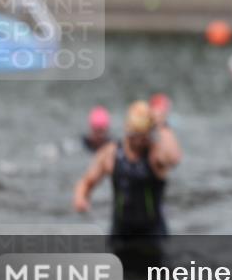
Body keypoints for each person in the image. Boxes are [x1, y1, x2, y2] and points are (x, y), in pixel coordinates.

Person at [73, 101, 182, 244]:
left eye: (144, 135)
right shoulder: (111, 153)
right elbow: (87, 181)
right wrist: (81, 198)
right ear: (128, 130)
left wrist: (163, 125)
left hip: (153, 236)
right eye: (136, 134)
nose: (140, 140)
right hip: (120, 234)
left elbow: (174, 158)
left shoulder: (155, 154)